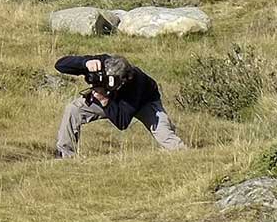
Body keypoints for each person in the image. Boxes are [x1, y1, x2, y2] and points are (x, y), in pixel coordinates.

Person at [54, 53, 187, 158]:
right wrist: (85, 63)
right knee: (74, 109)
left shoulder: (136, 82)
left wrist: (104, 100)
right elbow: (60, 65)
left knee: (164, 133)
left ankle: (185, 154)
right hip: (108, 98)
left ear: (124, 79)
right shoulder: (100, 63)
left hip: (144, 103)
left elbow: (122, 122)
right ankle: (66, 156)